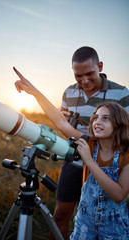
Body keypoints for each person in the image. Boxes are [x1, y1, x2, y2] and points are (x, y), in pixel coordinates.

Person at [13, 66, 129, 239]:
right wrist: (34, 92)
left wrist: (89, 162)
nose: (97, 121)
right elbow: (62, 124)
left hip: (113, 230)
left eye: (105, 118)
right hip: (85, 227)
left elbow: (119, 195)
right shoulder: (88, 143)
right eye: (95, 117)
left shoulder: (126, 154)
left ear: (119, 124)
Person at [51, 46, 129, 239]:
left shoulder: (121, 93)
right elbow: (63, 124)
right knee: (61, 214)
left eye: (89, 74)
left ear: (100, 66)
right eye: (78, 76)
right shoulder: (69, 93)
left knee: (103, 215)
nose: (84, 81)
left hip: (108, 163)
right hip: (74, 160)